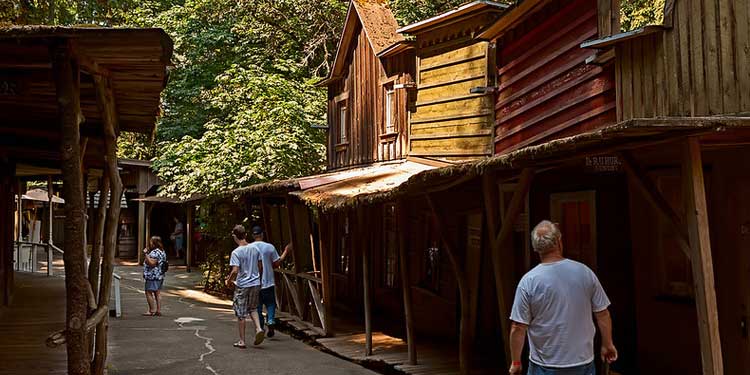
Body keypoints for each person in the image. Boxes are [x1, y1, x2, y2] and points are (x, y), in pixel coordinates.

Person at [509, 220, 617, 375]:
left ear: (535, 248)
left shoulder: (528, 281)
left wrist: (516, 362)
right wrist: (607, 344)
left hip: (544, 366)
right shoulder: (585, 273)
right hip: (583, 363)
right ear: (559, 241)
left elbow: (518, 327)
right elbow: (602, 313)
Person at [226, 224, 265, 348]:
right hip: (255, 282)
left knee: (241, 313)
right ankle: (259, 328)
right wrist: (257, 277)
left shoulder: (236, 252)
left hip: (243, 284)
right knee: (253, 308)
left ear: (234, 236)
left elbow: (235, 270)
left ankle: (242, 341)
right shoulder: (255, 249)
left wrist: (229, 280)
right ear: (246, 235)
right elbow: (260, 266)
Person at [251, 227, 290, 337]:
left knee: (257, 306)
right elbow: (276, 263)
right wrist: (286, 251)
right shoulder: (269, 247)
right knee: (270, 303)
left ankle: (261, 327)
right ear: (262, 235)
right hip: (268, 282)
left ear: (253, 235)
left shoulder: (249, 248)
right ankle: (271, 320)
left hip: (254, 283)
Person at [142, 236, 167, 317]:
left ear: (154, 243)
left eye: (151, 242)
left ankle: (151, 310)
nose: (150, 244)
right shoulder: (162, 251)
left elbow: (152, 263)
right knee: (157, 292)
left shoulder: (155, 252)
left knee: (148, 292)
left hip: (152, 276)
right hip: (160, 275)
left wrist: (146, 254)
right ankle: (158, 310)